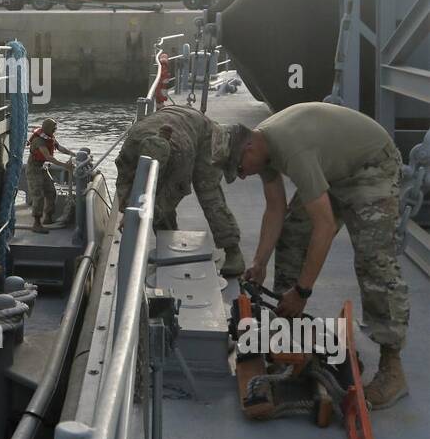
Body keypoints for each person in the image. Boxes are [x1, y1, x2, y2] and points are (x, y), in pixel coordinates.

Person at [236, 101, 410, 410]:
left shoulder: (290, 150)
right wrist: (259, 263)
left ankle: (391, 366)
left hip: (370, 166)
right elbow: (275, 208)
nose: (241, 176)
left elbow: (325, 227)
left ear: (249, 148)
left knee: (374, 262)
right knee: (293, 232)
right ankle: (286, 332)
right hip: (333, 170)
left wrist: (302, 291)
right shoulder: (263, 150)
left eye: (239, 169)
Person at [115, 105, 245, 276]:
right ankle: (169, 245)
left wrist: (139, 211)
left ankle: (232, 251)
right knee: (155, 200)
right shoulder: (138, 146)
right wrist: (130, 209)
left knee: (202, 193)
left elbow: (169, 192)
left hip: (191, 133)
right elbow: (127, 182)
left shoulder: (189, 146)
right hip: (173, 129)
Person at [26, 116, 74, 234]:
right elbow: (48, 157)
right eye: (53, 127)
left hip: (43, 168)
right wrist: (65, 165)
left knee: (51, 192)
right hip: (34, 169)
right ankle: (37, 223)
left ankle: (48, 217)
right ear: (47, 128)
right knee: (38, 196)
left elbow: (59, 147)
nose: (55, 130)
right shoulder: (39, 140)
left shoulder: (49, 137)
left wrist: (73, 154)